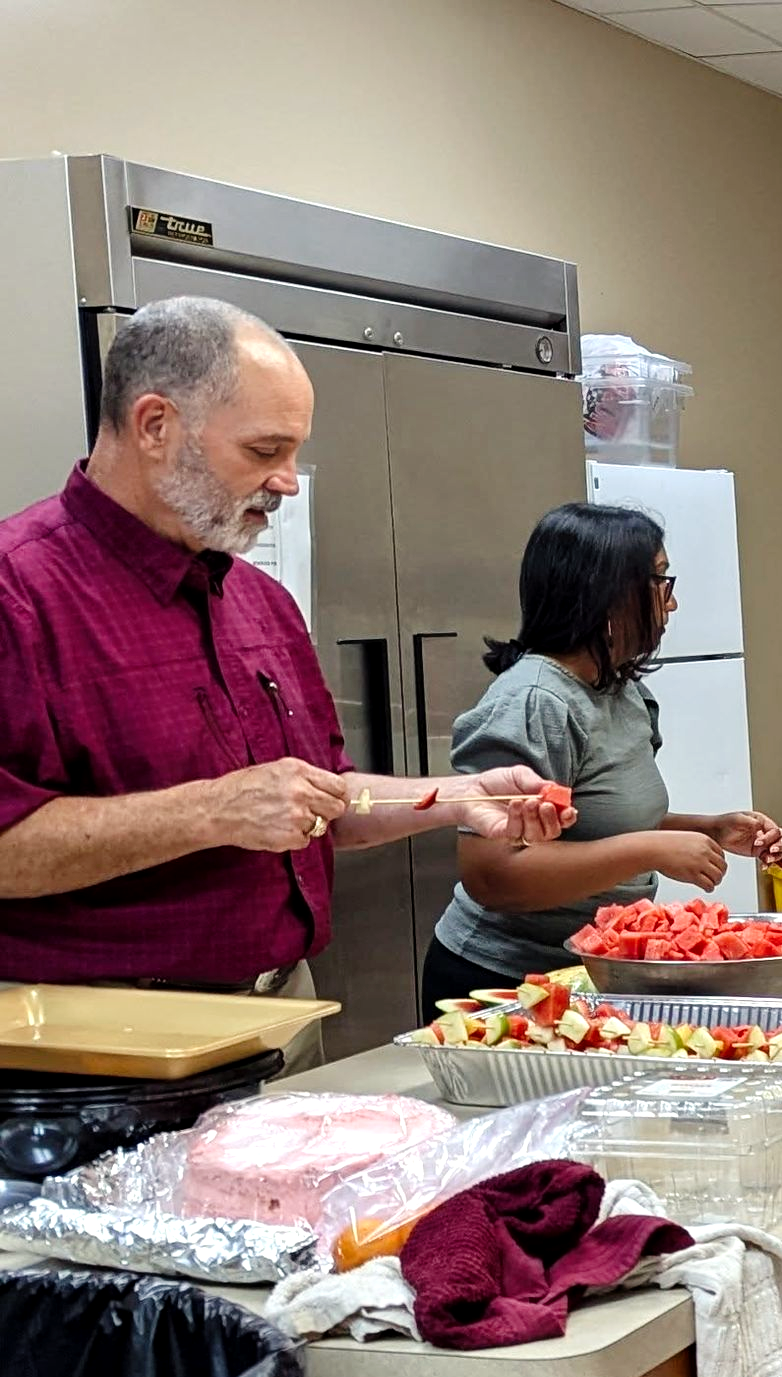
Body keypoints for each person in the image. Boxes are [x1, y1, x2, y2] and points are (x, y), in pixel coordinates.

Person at [0, 297, 569, 1068]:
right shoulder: (19, 592)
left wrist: (457, 798)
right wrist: (212, 809)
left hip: (286, 1009)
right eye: (265, 450)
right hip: (109, 1050)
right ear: (155, 426)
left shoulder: (256, 598)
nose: (288, 483)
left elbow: (317, 799)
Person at [420, 502, 782, 1012]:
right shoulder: (534, 701)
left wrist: (709, 828)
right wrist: (652, 851)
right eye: (660, 581)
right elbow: (492, 874)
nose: (672, 603)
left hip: (588, 971)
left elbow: (599, 818)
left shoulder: (620, 688)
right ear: (608, 593)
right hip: (502, 979)